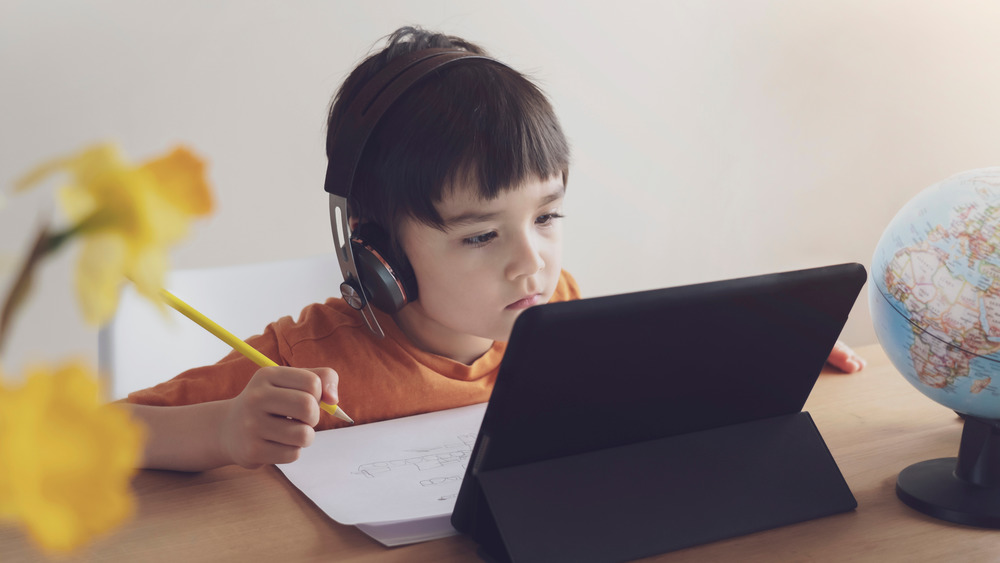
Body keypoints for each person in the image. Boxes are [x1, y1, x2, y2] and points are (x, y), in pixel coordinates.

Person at [124, 26, 865, 472]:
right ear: (378, 254)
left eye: (546, 217)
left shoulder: (555, 308)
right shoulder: (306, 361)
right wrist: (223, 429)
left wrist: (760, 356)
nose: (530, 261)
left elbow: (637, 381)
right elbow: (97, 437)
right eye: (481, 234)